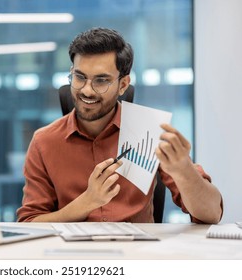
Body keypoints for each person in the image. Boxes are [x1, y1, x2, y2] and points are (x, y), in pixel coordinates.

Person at [16, 27, 223, 224]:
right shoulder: (44, 141)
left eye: (101, 81)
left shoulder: (149, 131)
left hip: (138, 254)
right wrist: (86, 203)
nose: (87, 90)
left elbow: (212, 215)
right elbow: (29, 222)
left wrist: (184, 171)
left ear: (123, 85)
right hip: (71, 256)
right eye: (80, 77)